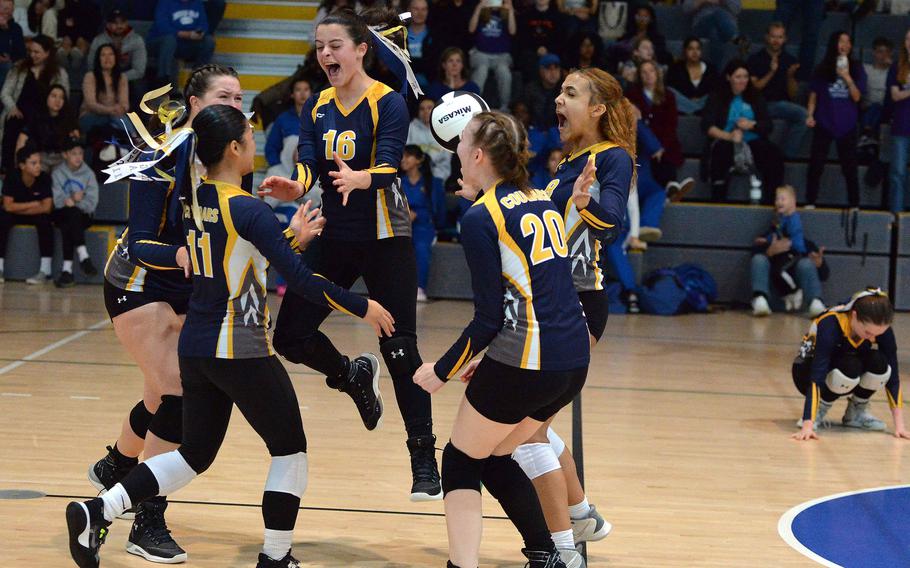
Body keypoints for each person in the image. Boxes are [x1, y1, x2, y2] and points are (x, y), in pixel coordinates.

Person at [65, 103, 396, 568]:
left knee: (194, 455)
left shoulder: (196, 201)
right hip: (239, 348)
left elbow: (235, 259)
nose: (255, 146)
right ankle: (276, 557)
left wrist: (290, 237)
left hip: (197, 350)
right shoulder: (249, 209)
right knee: (290, 449)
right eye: (251, 138)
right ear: (235, 148)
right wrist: (364, 306)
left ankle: (99, 509)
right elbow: (299, 280)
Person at [259, 10, 442, 501]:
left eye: (335, 45)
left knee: (399, 345)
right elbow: (310, 164)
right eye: (320, 46)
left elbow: (388, 164)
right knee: (291, 336)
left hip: (386, 237)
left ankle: (424, 455)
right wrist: (294, 183)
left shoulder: (388, 102)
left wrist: (364, 178)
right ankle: (351, 375)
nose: (325, 55)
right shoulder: (316, 105)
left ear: (361, 49)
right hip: (335, 236)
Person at [412, 110, 590, 568]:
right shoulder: (540, 199)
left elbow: (489, 319)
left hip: (528, 360)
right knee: (494, 456)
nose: (455, 154)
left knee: (458, 461)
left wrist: (441, 370)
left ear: (476, 155)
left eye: (460, 146)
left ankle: (463, 564)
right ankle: (548, 555)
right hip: (571, 361)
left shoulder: (479, 217)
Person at [85, 63, 246, 564]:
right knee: (177, 388)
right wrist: (183, 256)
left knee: (161, 392)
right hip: (138, 282)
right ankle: (147, 520)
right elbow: (141, 242)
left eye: (240, 98)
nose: (236, 106)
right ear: (194, 105)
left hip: (186, 285)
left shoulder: (231, 151)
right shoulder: (161, 154)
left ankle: (117, 465)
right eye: (225, 96)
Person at [535, 67, 633, 554]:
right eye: (559, 91)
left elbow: (610, 219)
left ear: (598, 109)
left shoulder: (612, 158)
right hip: (552, 304)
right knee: (533, 425)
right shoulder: (570, 160)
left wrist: (584, 201)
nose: (559, 99)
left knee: (527, 431)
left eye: (571, 93)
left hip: (580, 305)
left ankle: (565, 547)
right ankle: (580, 517)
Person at [792, 289, 908, 441]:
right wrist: (808, 424)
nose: (873, 338)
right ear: (854, 316)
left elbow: (893, 377)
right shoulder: (830, 324)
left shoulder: (878, 327)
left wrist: (900, 426)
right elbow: (817, 375)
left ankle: (856, 413)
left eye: (878, 334)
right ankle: (819, 409)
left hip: (846, 369)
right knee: (850, 365)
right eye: (868, 333)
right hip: (807, 373)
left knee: (880, 364)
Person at [702, 59, 783, 203]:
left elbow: (768, 126)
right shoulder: (717, 97)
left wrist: (752, 125)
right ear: (729, 77)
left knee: (773, 153)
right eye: (738, 77)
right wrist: (729, 136)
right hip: (726, 139)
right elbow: (707, 125)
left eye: (745, 77)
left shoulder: (756, 97)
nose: (742, 81)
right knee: (721, 152)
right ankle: (718, 200)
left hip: (752, 140)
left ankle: (772, 200)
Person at [805, 31, 866, 209]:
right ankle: (810, 201)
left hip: (847, 124)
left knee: (850, 167)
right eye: (841, 41)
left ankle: (854, 204)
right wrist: (810, 115)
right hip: (825, 121)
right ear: (834, 44)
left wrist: (847, 77)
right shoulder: (822, 68)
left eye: (848, 42)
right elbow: (813, 96)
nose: (844, 45)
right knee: (816, 164)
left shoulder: (857, 67)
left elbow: (857, 97)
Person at [0, 34, 67, 173]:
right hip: (19, 112)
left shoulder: (59, 73)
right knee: (13, 123)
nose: (32, 55)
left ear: (47, 53)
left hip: (44, 115)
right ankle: (8, 170)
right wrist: (12, 107)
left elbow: (62, 97)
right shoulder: (19, 67)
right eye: (30, 51)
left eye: (37, 52)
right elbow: (5, 92)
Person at [626, 60, 691, 202]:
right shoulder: (632, 95)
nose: (648, 75)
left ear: (657, 74)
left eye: (651, 71)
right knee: (646, 154)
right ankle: (667, 191)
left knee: (665, 153)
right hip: (641, 143)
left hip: (664, 142)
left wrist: (661, 146)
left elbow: (671, 124)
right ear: (639, 75)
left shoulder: (668, 96)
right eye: (644, 72)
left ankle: (669, 188)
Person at [750, 185, 817, 316]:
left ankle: (795, 291)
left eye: (783, 199)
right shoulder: (780, 219)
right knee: (776, 271)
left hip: (794, 252)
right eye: (777, 199)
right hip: (782, 254)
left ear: (793, 202)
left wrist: (789, 244)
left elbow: (793, 236)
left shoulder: (793, 218)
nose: (779, 202)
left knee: (781, 271)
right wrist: (766, 240)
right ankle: (768, 297)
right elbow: (776, 233)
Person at [747, 22, 807, 159]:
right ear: (767, 37)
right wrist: (771, 72)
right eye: (773, 37)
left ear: (785, 39)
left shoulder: (790, 60)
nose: (776, 41)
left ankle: (786, 157)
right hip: (760, 104)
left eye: (780, 37)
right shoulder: (755, 59)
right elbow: (755, 88)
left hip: (782, 104)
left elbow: (793, 95)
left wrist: (790, 77)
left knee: (804, 116)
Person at [0, 145, 52, 283]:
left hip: (35, 214)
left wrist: (23, 207)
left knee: (46, 221)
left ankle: (45, 271)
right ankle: (0, 268)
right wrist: (34, 204)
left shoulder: (44, 178)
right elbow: (7, 206)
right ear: (22, 165)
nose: (38, 166)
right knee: (3, 218)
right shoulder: (12, 177)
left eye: (39, 163)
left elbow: (46, 207)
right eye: (34, 163)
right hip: (18, 213)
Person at [51, 137, 98, 288]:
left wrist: (74, 203)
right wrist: (72, 197)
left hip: (83, 215)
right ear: (65, 155)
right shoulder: (57, 173)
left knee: (70, 221)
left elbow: (92, 203)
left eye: (80, 153)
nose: (78, 157)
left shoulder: (89, 174)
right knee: (69, 216)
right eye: (74, 153)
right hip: (62, 213)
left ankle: (67, 271)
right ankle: (84, 257)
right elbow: (57, 201)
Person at [400, 144, 444, 301]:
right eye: (402, 156)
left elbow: (438, 209)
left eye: (408, 156)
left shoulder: (432, 182)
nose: (403, 159)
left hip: (424, 226)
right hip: (400, 224)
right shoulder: (397, 182)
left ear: (418, 160)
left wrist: (418, 215)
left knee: (421, 248)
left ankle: (420, 288)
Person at [88, 10, 148, 111]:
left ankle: (139, 121)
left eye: (122, 22)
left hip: (128, 75)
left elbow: (139, 70)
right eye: (115, 23)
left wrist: (119, 78)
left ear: (127, 23)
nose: (119, 26)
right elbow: (91, 66)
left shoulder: (136, 40)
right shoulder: (99, 41)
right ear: (107, 25)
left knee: (140, 86)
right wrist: (107, 77)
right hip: (103, 75)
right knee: (91, 82)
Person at [147, 0, 215, 84]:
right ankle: (164, 79)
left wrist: (200, 33)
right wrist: (183, 34)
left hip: (187, 43)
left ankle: (198, 77)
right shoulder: (164, 2)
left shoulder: (197, 3)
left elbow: (204, 24)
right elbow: (162, 27)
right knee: (169, 40)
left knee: (208, 41)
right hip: (163, 42)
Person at [15, 83, 79, 171]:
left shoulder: (69, 119)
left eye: (61, 97)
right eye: (54, 96)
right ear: (46, 97)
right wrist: (19, 164)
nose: (58, 100)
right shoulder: (36, 117)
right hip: (40, 157)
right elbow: (22, 139)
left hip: (61, 157)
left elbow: (75, 145)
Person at [468, 0, 517, 110]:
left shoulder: (505, 13)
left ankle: (504, 107)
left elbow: (513, 31)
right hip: (481, 53)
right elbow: (471, 29)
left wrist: (510, 11)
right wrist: (479, 7)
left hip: (501, 55)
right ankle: (472, 105)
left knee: (504, 72)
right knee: (482, 70)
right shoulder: (481, 12)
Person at [80, 43, 129, 142]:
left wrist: (121, 109)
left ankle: (131, 142)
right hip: (90, 116)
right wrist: (111, 110)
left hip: (115, 116)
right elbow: (91, 104)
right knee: (115, 120)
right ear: (98, 59)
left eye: (111, 54)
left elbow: (125, 103)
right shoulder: (90, 76)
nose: (107, 58)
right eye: (103, 55)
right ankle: (136, 139)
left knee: (116, 120)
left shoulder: (122, 77)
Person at [264, 77, 311, 170]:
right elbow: (271, 147)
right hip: (286, 170)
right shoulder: (283, 119)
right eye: (298, 90)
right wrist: (277, 166)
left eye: (306, 89)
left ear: (311, 93)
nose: (302, 93)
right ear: (292, 94)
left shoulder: (321, 118)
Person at [888, 28, 910, 213]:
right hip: (901, 127)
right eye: (908, 38)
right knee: (897, 174)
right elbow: (895, 95)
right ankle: (896, 217)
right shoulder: (897, 67)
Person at [682, 0, 742, 69]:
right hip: (701, 26)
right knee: (717, 14)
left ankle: (715, 74)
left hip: (722, 28)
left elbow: (737, 10)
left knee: (715, 33)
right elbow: (685, 9)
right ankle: (734, 37)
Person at [666, 37, 717, 115]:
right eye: (691, 49)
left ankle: (692, 110)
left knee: (715, 95)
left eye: (698, 49)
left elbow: (715, 89)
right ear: (685, 51)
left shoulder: (711, 69)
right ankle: (697, 111)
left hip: (703, 102)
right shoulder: (675, 68)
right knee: (669, 91)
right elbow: (671, 87)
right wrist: (688, 100)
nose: (695, 52)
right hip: (684, 102)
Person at [407, 96, 452, 182]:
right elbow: (407, 154)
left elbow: (446, 161)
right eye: (422, 109)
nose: (426, 112)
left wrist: (436, 178)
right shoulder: (411, 128)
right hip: (415, 176)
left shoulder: (445, 129)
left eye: (429, 108)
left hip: (439, 176)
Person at [0, 0, 25, 87]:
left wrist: (6, 30)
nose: (7, 12)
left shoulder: (16, 28)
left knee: (7, 66)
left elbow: (21, 54)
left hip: (8, 65)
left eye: (10, 9)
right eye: (4, 9)